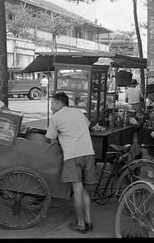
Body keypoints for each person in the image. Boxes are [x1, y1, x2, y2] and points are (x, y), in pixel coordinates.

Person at [45, 92, 97, 233]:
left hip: (73, 156)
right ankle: (89, 221)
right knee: (86, 190)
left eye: (52, 103)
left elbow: (52, 140)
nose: (51, 107)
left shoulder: (55, 118)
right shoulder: (78, 112)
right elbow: (86, 126)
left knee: (77, 191)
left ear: (58, 103)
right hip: (89, 153)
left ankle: (80, 224)